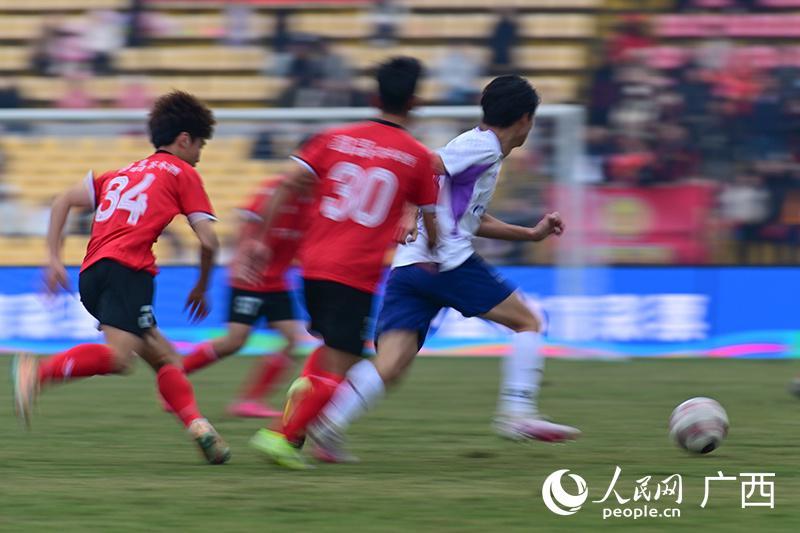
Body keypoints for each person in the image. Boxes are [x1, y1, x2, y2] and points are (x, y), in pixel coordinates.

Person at [309, 76, 581, 458]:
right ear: (524, 119)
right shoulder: (482, 146)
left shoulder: (479, 151)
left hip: (411, 266)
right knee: (528, 322)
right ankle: (517, 412)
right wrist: (409, 210)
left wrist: (531, 234)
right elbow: (425, 166)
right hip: (446, 262)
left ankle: (327, 424)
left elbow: (470, 219)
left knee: (391, 364)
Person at [11, 91, 231, 465]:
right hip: (129, 271)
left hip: (92, 274)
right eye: (200, 145)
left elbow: (62, 201)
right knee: (119, 358)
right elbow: (209, 241)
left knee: (166, 359)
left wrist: (53, 260)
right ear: (184, 139)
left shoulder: (120, 174)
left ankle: (200, 428)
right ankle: (38, 372)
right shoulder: (183, 173)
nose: (199, 155)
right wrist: (201, 286)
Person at [244, 56, 439, 469]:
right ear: (415, 102)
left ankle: (306, 400)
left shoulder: (334, 138)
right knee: (346, 365)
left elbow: (287, 184)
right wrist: (432, 250)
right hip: (354, 273)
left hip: (312, 264)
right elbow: (430, 216)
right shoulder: (418, 157)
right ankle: (281, 436)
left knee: (332, 350)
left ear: (374, 97)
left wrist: (262, 241)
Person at [165, 176, 311, 417]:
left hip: (277, 281)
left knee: (292, 340)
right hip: (250, 277)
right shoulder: (276, 189)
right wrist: (242, 254)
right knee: (235, 340)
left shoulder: (316, 198)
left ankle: (249, 401)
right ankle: (171, 379)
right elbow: (245, 220)